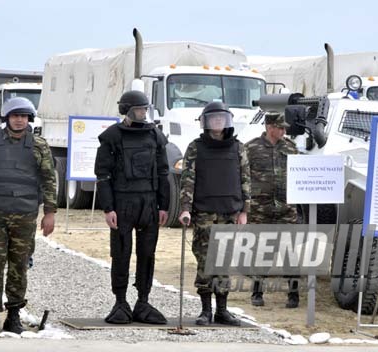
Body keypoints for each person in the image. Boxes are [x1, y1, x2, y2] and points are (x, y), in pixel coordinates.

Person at [0, 97, 57, 334]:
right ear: (6, 118)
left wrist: (50, 212)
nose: (19, 120)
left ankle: (14, 315)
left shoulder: (39, 146)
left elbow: (48, 180)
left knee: (19, 267)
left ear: (29, 119)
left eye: (24, 116)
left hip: (25, 215)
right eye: (15, 116)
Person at [94, 90, 169, 325]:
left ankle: (143, 301)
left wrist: (163, 206)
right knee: (121, 253)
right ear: (127, 110)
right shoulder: (111, 137)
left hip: (148, 203)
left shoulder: (155, 136)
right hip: (122, 202)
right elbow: (103, 175)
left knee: (147, 254)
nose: (143, 113)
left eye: (145, 109)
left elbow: (164, 172)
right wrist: (108, 208)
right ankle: (120, 302)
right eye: (139, 109)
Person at [178, 101, 250, 326]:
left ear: (227, 121)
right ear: (206, 122)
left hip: (230, 212)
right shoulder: (196, 147)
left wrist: (245, 210)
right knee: (205, 260)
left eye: (221, 118)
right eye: (213, 119)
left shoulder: (238, 147)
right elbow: (187, 179)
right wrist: (185, 209)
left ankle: (222, 310)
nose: (217, 122)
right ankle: (206, 311)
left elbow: (245, 179)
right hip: (205, 214)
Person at [245, 112, 300, 308]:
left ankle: (293, 295)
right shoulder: (251, 148)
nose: (284, 131)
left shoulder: (291, 148)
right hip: (260, 210)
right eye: (281, 127)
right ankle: (257, 293)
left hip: (286, 208)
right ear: (270, 127)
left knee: (290, 251)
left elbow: (300, 174)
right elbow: (242, 177)